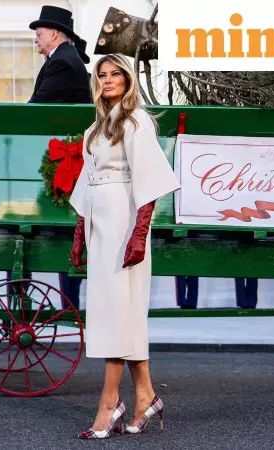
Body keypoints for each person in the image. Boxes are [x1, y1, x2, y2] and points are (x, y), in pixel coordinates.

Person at [68, 53, 181, 439]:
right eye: (102, 75)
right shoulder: (95, 129)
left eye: (116, 74)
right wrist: (80, 232)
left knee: (117, 308)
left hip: (124, 220)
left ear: (128, 79)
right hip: (101, 221)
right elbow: (86, 180)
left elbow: (148, 184)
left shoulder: (136, 122)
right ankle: (146, 395)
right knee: (118, 308)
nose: (108, 80)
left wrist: (139, 234)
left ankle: (109, 401)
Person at [4, 5, 91, 308]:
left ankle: (65, 303)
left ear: (55, 34)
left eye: (39, 35)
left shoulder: (63, 63)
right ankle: (67, 302)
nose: (35, 40)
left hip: (64, 164)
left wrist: (7, 124)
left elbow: (39, 110)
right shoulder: (65, 59)